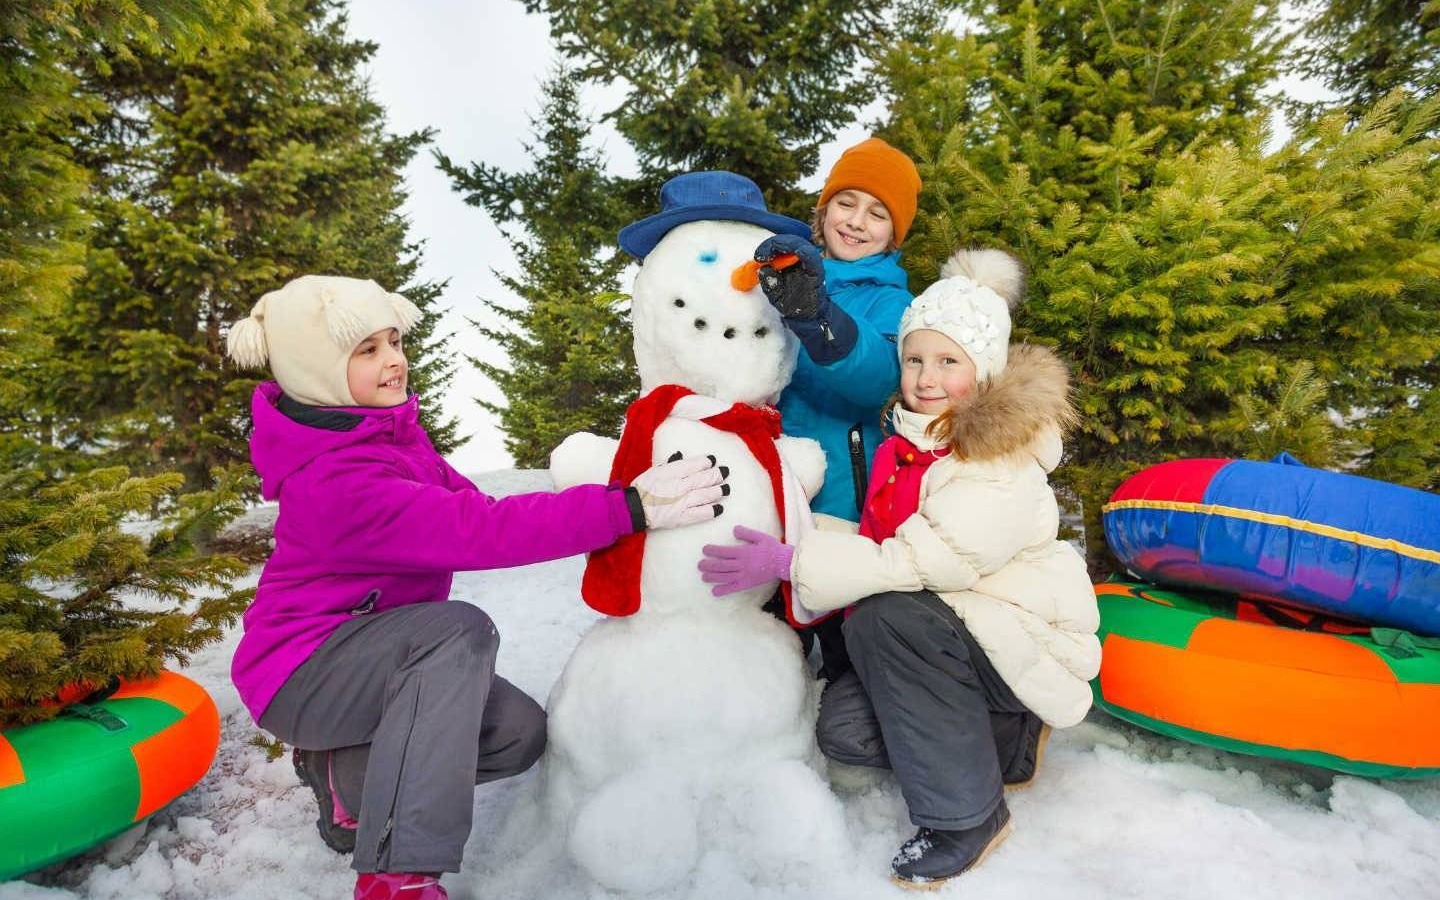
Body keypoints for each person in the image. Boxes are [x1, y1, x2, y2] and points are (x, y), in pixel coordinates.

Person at [225, 275, 728, 900]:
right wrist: (627, 508)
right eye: (367, 351)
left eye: (394, 341)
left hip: (377, 659)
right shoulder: (334, 481)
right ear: (318, 372)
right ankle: (397, 873)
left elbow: (479, 505)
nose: (393, 361)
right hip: (302, 672)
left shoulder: (386, 435)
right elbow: (478, 530)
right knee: (454, 632)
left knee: (516, 733)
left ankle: (342, 776)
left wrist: (608, 499)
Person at [699, 250, 1102, 888]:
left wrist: (794, 559)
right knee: (848, 734)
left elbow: (919, 561)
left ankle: (967, 818)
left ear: (986, 371)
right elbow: (879, 539)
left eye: (948, 362)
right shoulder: (907, 444)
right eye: (915, 359)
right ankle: (1007, 742)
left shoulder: (997, 460)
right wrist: (793, 530)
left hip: (1017, 638)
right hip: (966, 637)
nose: (926, 376)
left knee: (884, 619)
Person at [747, 136, 923, 678]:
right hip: (771, 489)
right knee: (767, 635)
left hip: (841, 503)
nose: (856, 221)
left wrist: (817, 316)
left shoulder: (892, 301)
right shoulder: (781, 273)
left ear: (893, 235)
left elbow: (878, 379)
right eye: (846, 203)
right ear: (823, 211)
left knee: (840, 639)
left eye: (877, 214)